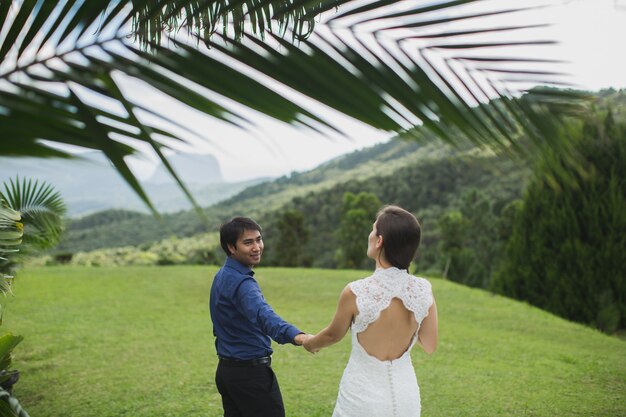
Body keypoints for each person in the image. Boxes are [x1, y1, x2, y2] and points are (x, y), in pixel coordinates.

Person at [304, 205, 438, 417]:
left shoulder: (356, 292)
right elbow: (430, 344)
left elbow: (332, 335)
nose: (370, 234)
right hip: (405, 397)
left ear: (379, 241)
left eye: (373, 229)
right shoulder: (423, 290)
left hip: (361, 397)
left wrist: (309, 343)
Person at [209, 216, 310, 417]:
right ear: (231, 247)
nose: (257, 247)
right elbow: (264, 316)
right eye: (248, 242)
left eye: (258, 239)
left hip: (227, 372)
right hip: (250, 377)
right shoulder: (243, 284)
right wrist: (299, 337)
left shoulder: (222, 275)